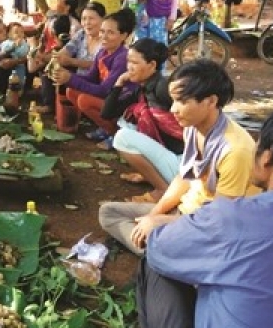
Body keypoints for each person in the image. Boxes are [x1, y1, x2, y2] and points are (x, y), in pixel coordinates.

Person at [137, 100, 273, 328]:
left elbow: (160, 250)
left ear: (267, 156)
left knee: (156, 257)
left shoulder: (232, 217)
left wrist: (156, 224)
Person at [98, 59, 260, 256]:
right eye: (173, 100)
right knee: (108, 212)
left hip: (214, 228)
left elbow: (219, 219)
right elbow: (183, 178)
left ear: (211, 101)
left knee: (155, 238)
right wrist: (154, 215)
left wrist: (162, 222)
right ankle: (158, 251)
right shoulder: (192, 128)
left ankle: (162, 255)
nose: (173, 109)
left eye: (182, 101)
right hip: (185, 212)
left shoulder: (235, 151)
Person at [101, 38, 183, 203]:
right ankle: (152, 176)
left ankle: (162, 189)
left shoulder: (163, 88)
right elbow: (107, 113)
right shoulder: (143, 89)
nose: (129, 67)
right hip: (172, 157)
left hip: (183, 166)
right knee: (127, 124)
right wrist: (119, 83)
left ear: (152, 65)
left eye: (135, 63)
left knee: (123, 137)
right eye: (128, 62)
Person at [52, 9, 136, 147]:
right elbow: (91, 77)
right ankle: (106, 128)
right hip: (108, 100)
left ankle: (115, 133)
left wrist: (71, 79)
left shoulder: (122, 57)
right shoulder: (103, 52)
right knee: (71, 92)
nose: (104, 36)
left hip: (122, 104)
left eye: (111, 33)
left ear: (124, 36)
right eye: (103, 31)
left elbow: (104, 91)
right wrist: (68, 77)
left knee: (84, 100)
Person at [57, 1, 106, 76]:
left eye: (91, 18)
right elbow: (65, 51)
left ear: (103, 19)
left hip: (99, 84)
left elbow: (101, 65)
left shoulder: (107, 38)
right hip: (79, 82)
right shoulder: (81, 34)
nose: (87, 22)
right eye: (84, 19)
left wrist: (72, 61)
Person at [0, 22, 30, 88]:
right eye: (16, 32)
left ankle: (20, 90)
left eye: (22, 32)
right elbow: (4, 50)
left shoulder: (24, 42)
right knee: (10, 81)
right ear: (9, 34)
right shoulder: (7, 42)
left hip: (20, 66)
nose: (19, 34)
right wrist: (14, 45)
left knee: (20, 79)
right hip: (9, 66)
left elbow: (25, 52)